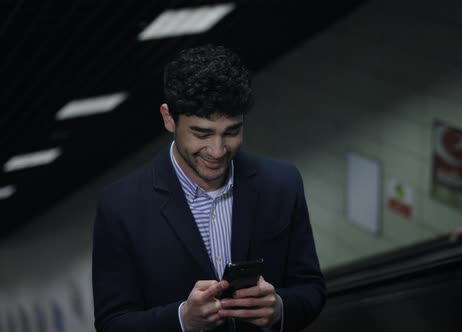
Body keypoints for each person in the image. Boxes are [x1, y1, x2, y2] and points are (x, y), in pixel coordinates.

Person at [92, 45, 326, 332]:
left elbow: (311, 288)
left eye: (232, 132)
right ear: (169, 119)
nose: (217, 151)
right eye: (201, 134)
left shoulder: (282, 184)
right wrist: (182, 320)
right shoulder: (120, 206)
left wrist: (279, 308)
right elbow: (112, 323)